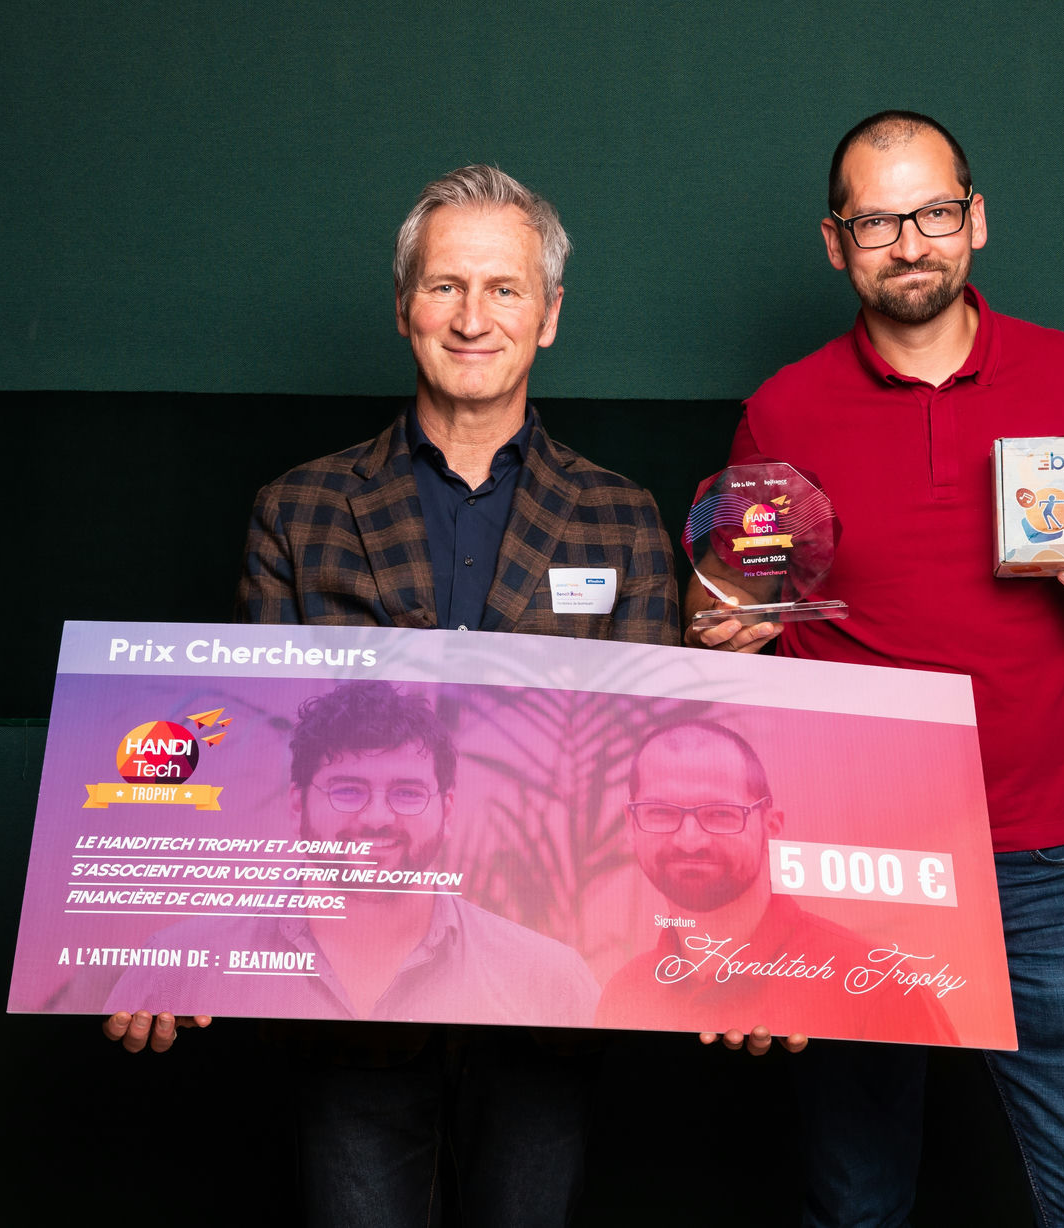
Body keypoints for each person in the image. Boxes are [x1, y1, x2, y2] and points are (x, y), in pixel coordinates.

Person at [106, 163, 680, 1227]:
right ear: (405, 308)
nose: (473, 317)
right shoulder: (299, 507)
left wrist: (732, 967)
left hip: (539, 1001)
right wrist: (162, 942)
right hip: (346, 1005)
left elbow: (642, 772)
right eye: (445, 286)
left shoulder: (622, 518)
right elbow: (245, 766)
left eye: (504, 289)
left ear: (548, 316)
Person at [686, 112, 1064, 1227]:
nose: (906, 242)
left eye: (929, 213)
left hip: (1046, 855)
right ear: (835, 242)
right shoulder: (782, 408)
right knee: (857, 1203)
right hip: (853, 864)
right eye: (875, 220)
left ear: (973, 220)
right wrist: (718, 619)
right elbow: (735, 600)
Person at [103, 682, 600, 1027]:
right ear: (298, 804)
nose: (376, 818)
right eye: (347, 790)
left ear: (447, 810)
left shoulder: (547, 977)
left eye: (407, 792)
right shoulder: (179, 964)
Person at [595, 720, 955, 1044]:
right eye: (660, 812)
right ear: (630, 823)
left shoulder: (876, 982)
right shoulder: (625, 992)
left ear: (771, 825)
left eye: (721, 814)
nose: (690, 840)